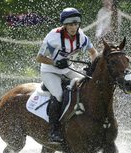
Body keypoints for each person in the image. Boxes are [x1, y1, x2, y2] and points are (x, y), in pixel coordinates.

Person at [36, 7, 98, 143]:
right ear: (64, 25)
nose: (73, 27)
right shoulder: (53, 36)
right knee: (58, 94)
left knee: (88, 85)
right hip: (49, 71)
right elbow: (39, 58)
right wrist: (55, 63)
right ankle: (54, 130)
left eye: (76, 24)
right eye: (70, 24)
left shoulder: (82, 37)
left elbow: (93, 52)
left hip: (67, 69)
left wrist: (92, 67)